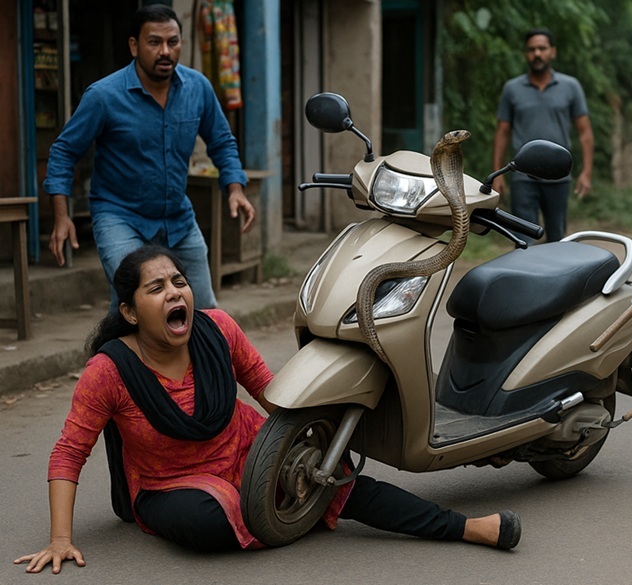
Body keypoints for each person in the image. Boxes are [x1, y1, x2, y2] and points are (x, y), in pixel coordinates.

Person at [13, 245, 522, 574]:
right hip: (173, 484)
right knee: (209, 524)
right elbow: (68, 454)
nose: (174, 292)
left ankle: (463, 526)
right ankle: (286, 508)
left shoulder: (218, 329)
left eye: (179, 281)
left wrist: (314, 441)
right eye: (156, 288)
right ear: (128, 312)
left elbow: (272, 392)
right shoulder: (109, 371)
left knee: (336, 478)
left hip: (248, 452)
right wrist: (60, 539)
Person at [42, 4, 255, 311]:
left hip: (178, 219)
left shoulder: (198, 88)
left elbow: (222, 141)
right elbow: (64, 151)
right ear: (134, 46)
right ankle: (123, 343)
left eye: (173, 42)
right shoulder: (104, 96)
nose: (165, 51)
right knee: (137, 306)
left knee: (203, 310)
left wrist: (235, 189)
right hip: (120, 217)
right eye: (154, 42)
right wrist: (62, 216)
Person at [492, 27, 594, 242]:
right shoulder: (512, 89)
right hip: (522, 175)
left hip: (559, 175)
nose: (537, 53)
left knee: (557, 238)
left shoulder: (571, 86)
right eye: (532, 49)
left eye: (542, 48)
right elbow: (502, 132)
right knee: (522, 240)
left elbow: (584, 131)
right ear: (525, 54)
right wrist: (498, 173)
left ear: (552, 52)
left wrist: (586, 171)